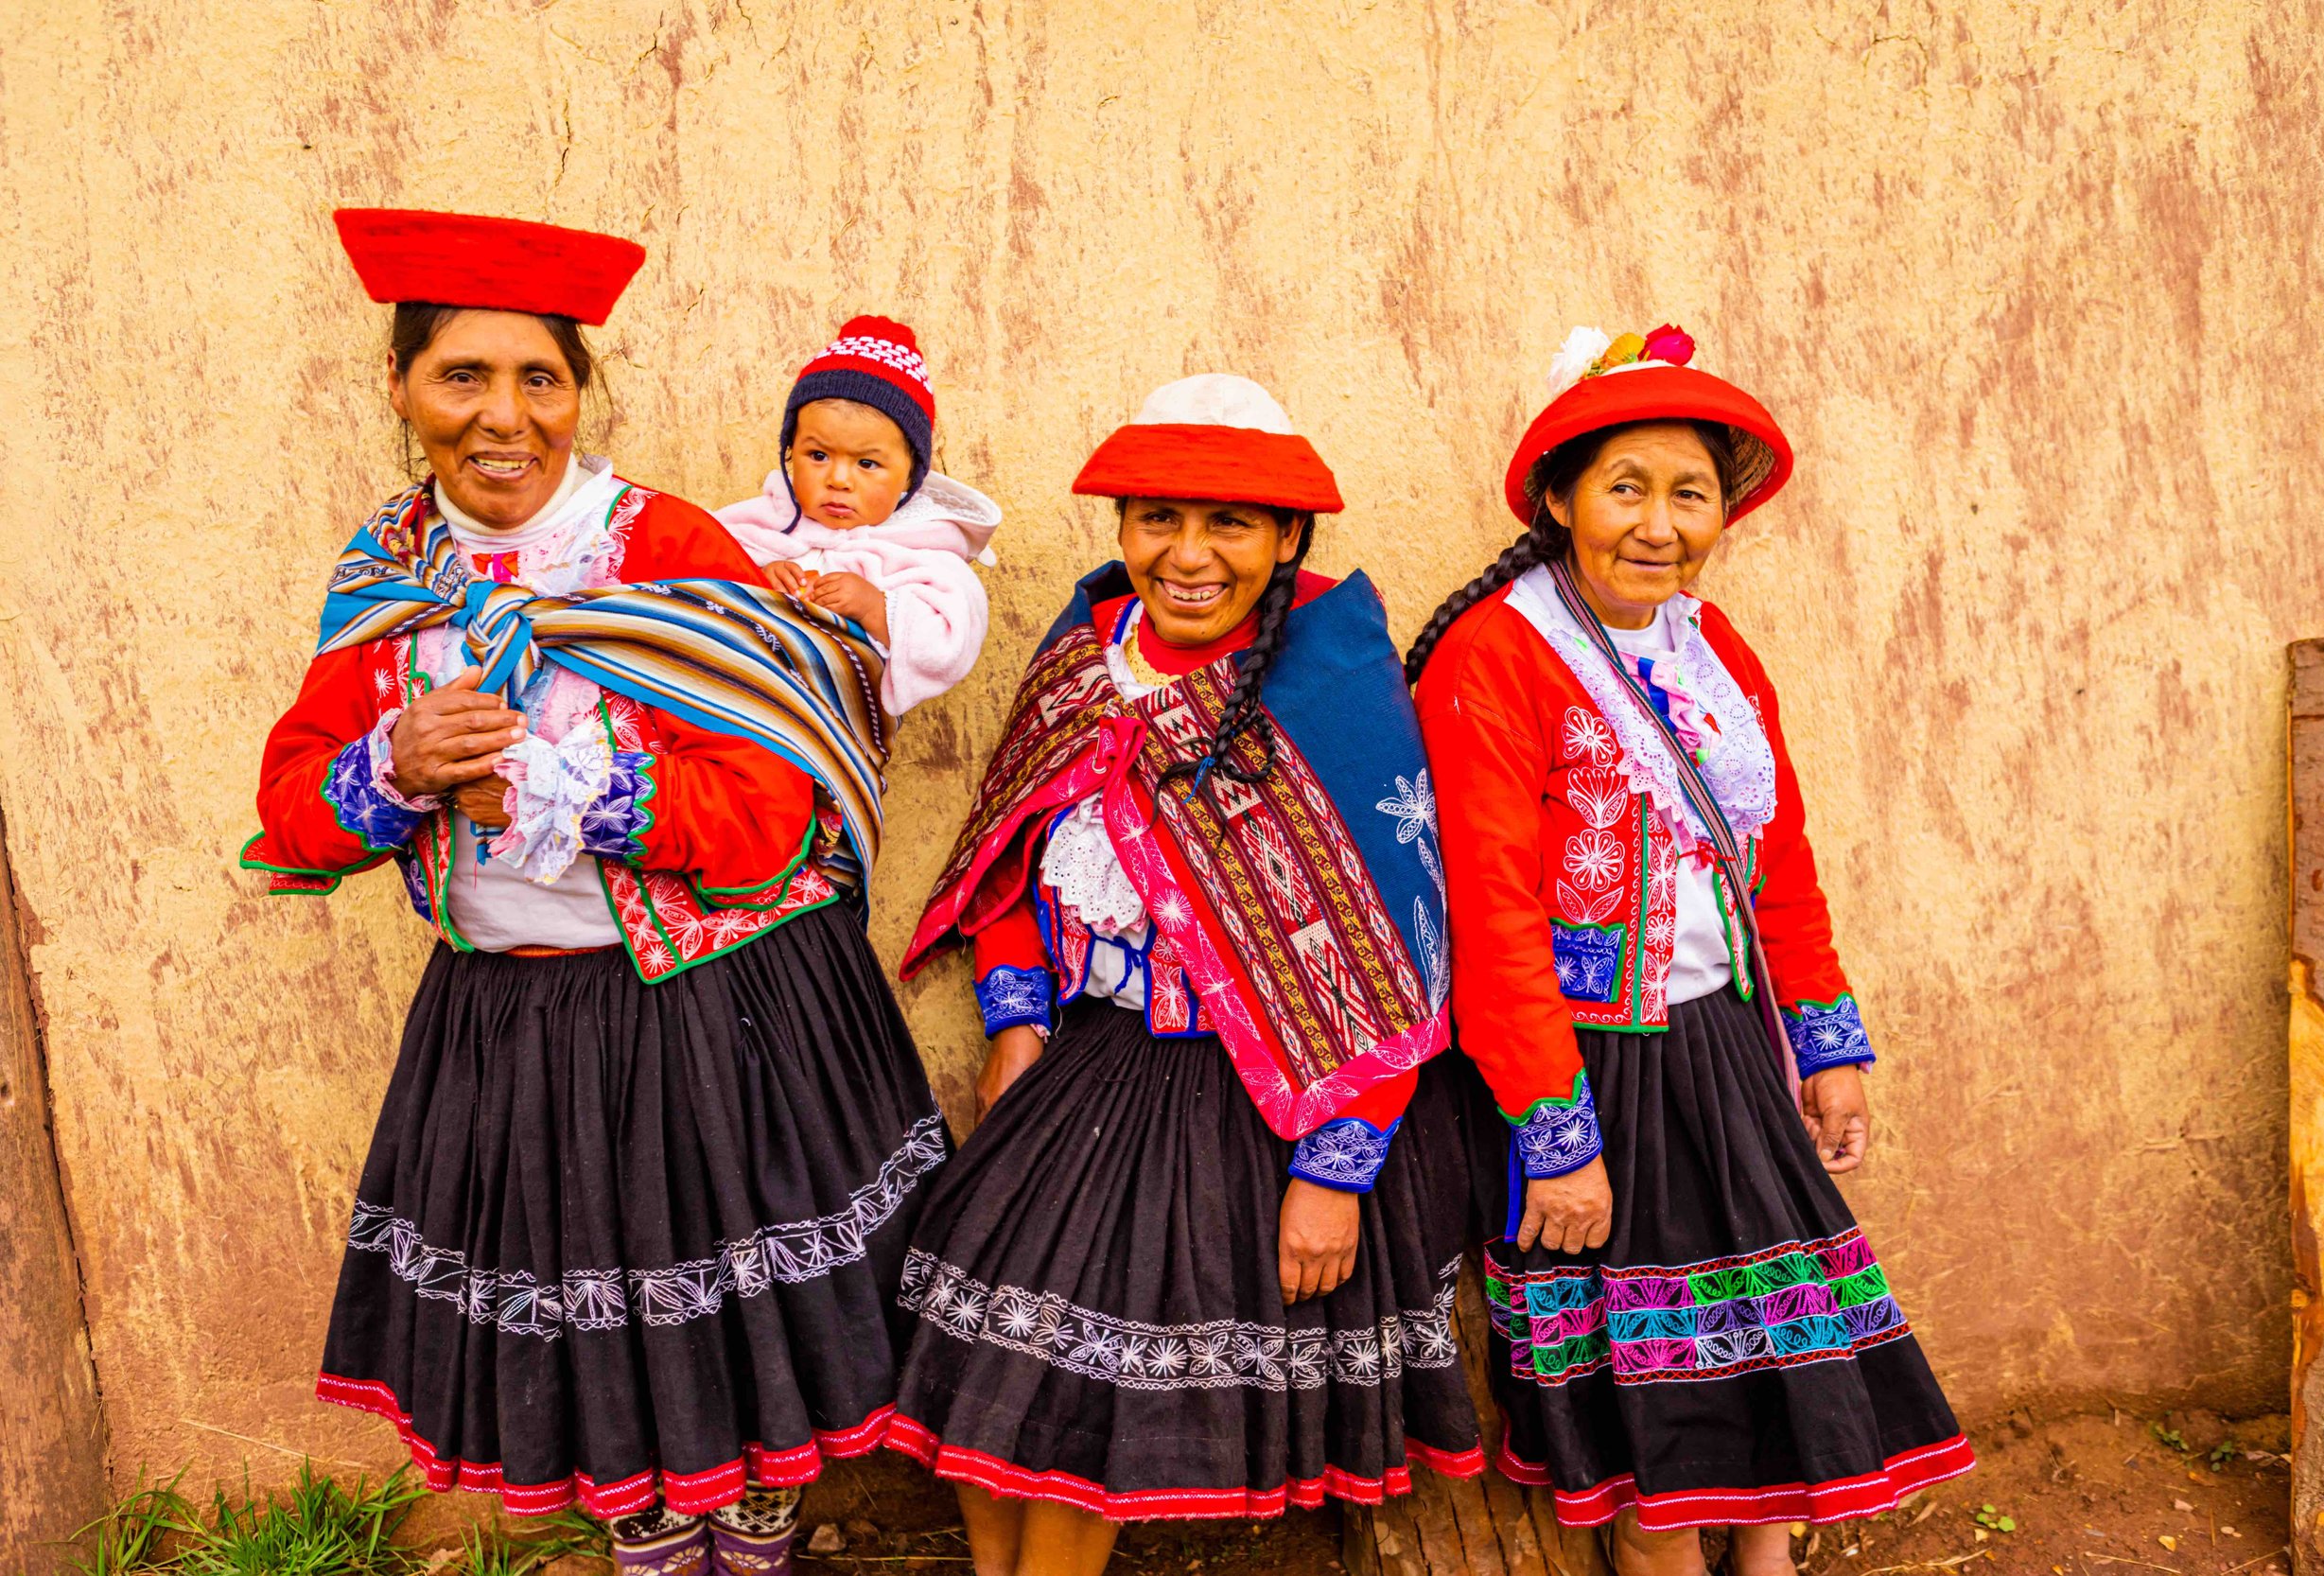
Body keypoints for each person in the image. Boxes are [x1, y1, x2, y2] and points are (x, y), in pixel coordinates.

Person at [243, 208, 946, 1575]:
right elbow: (293, 817)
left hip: (712, 1013)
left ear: (578, 395)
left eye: (540, 380)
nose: (505, 417)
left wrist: (584, 790)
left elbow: (769, 810)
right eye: (462, 377)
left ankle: (754, 1546)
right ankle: (648, 1549)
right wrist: (393, 767)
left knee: (744, 1354)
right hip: (511, 1030)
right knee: (594, 1350)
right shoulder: (386, 574)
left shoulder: (665, 544)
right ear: (400, 391)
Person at [887, 376, 1483, 1575]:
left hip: (1260, 1104)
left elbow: (1396, 945)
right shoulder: (1084, 660)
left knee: (1076, 1431)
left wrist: (1334, 1168)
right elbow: (1012, 860)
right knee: (981, 1397)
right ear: (1123, 529)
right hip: (1087, 1075)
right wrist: (1016, 1023)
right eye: (1158, 517)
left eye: (1231, 523)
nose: (1190, 554)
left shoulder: (1330, 690)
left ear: (1285, 539)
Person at [1407, 326, 1971, 1574]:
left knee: (1772, 1334)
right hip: (1587, 1066)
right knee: (1648, 1380)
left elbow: (1784, 863)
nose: (1657, 524)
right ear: (1560, 499)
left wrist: (1829, 1046)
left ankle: (1765, 1564)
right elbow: (1492, 907)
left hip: (1726, 1048)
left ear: (1723, 512)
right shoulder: (1497, 654)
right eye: (1625, 487)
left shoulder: (1716, 653)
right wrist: (1556, 1130)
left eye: (1689, 492)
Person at [716, 315, 1002, 717]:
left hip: (834, 731)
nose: (838, 479)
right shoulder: (757, 524)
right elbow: (696, 579)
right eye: (817, 456)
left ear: (910, 476)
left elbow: (948, 644)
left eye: (867, 463)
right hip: (731, 707)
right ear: (790, 452)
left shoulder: (927, 554)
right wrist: (756, 576)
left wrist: (876, 608)